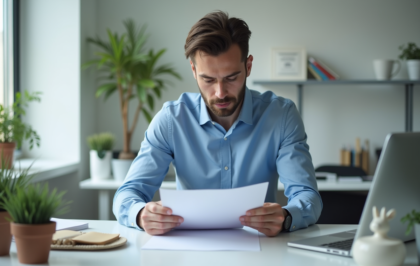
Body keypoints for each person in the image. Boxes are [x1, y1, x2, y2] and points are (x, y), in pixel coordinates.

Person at [113, 11, 322, 237]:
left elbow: (306, 195)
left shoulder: (282, 116)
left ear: (248, 66)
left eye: (231, 78)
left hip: (261, 252)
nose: (220, 93)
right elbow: (128, 193)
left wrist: (287, 216)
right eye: (208, 79)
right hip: (188, 253)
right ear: (194, 71)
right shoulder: (171, 120)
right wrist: (140, 214)